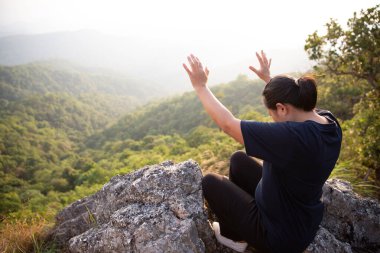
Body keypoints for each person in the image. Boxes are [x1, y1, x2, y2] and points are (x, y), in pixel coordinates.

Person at [183, 51, 342, 253]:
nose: (273, 119)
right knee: (238, 159)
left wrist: (200, 86)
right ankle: (239, 226)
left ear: (282, 109)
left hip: (279, 235)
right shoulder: (328, 121)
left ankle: (235, 239)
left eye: (272, 114)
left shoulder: (293, 138)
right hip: (298, 214)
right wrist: (271, 81)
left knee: (211, 182)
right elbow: (298, 105)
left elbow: (228, 124)